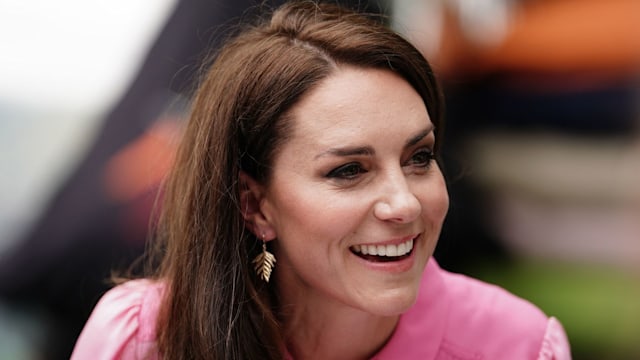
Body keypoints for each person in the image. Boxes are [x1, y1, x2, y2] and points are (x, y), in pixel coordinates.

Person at [71, 2, 571, 359]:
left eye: (419, 157)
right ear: (254, 205)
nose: (405, 204)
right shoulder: (141, 339)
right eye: (348, 171)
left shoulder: (519, 345)